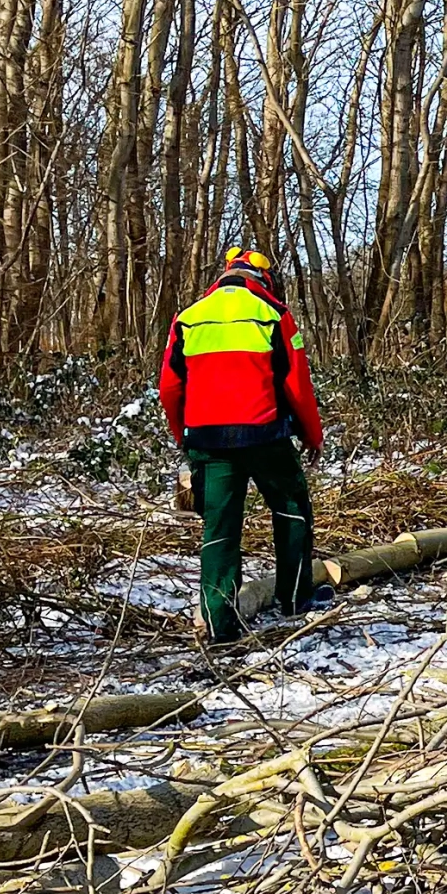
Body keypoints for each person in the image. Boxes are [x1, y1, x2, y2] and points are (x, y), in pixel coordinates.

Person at [158, 247, 324, 641]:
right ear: (262, 280)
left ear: (226, 275)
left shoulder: (189, 318)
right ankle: (295, 597)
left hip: (209, 439)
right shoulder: (273, 314)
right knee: (291, 508)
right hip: (265, 434)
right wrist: (311, 434)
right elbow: (296, 384)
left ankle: (218, 620)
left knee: (220, 525)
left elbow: (169, 386)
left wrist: (183, 432)